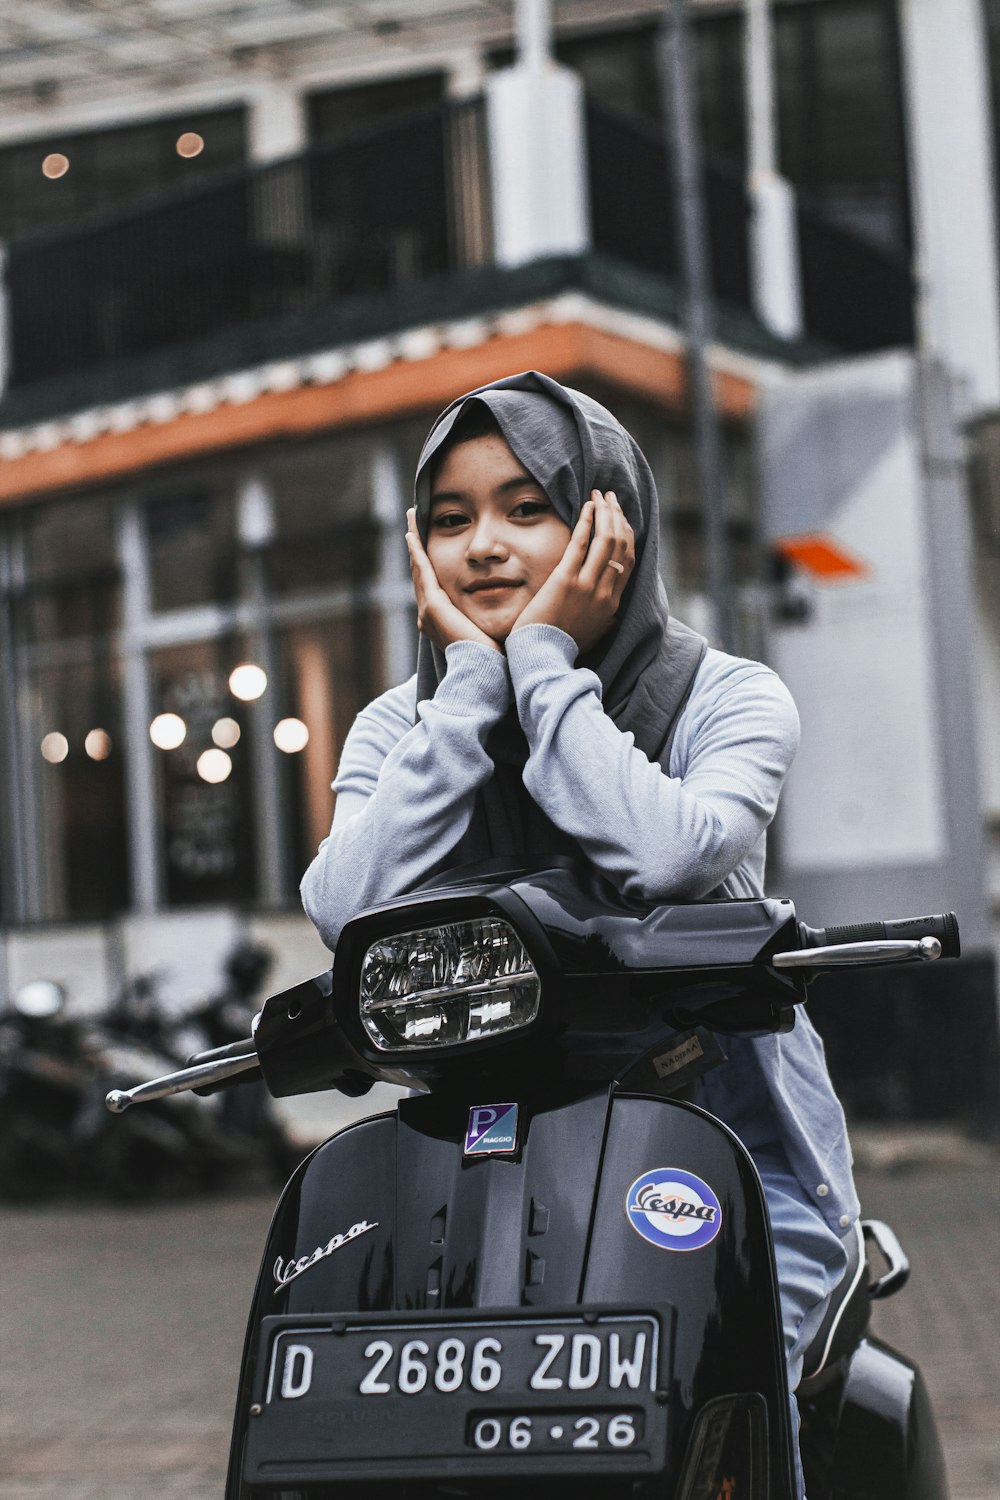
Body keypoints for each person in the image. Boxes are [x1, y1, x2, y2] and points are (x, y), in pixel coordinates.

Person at [301, 370, 858, 1497]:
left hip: (724, 1153)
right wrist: (465, 695)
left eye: (527, 505)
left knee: (717, 1377)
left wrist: (546, 672)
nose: (484, 546)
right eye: (450, 519)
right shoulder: (401, 723)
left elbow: (667, 855)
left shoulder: (725, 695)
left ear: (609, 518)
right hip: (480, 1156)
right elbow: (342, 907)